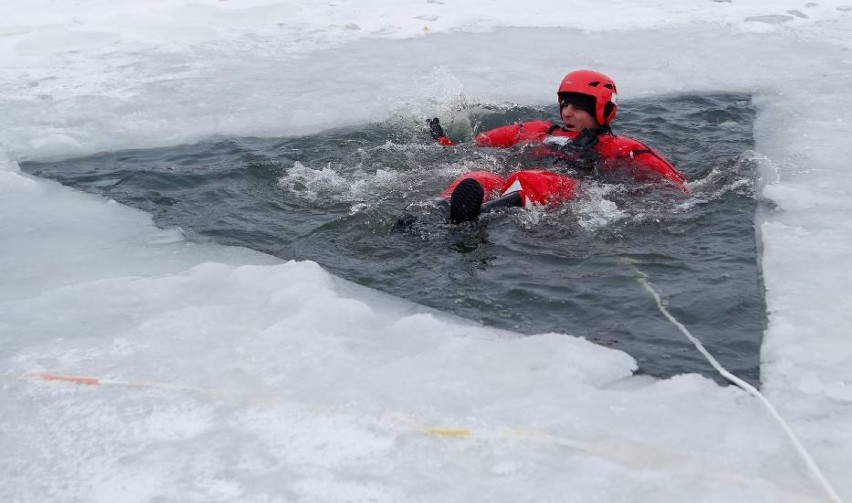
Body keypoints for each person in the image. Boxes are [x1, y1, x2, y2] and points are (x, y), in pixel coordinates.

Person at [428, 69, 688, 223]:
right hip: (518, 186)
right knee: (477, 176)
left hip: (570, 190)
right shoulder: (534, 131)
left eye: (578, 108)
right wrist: (443, 141)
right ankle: (437, 212)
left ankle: (478, 214)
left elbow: (675, 184)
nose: (567, 114)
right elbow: (474, 147)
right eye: (565, 105)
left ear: (603, 111)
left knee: (530, 178)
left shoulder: (622, 148)